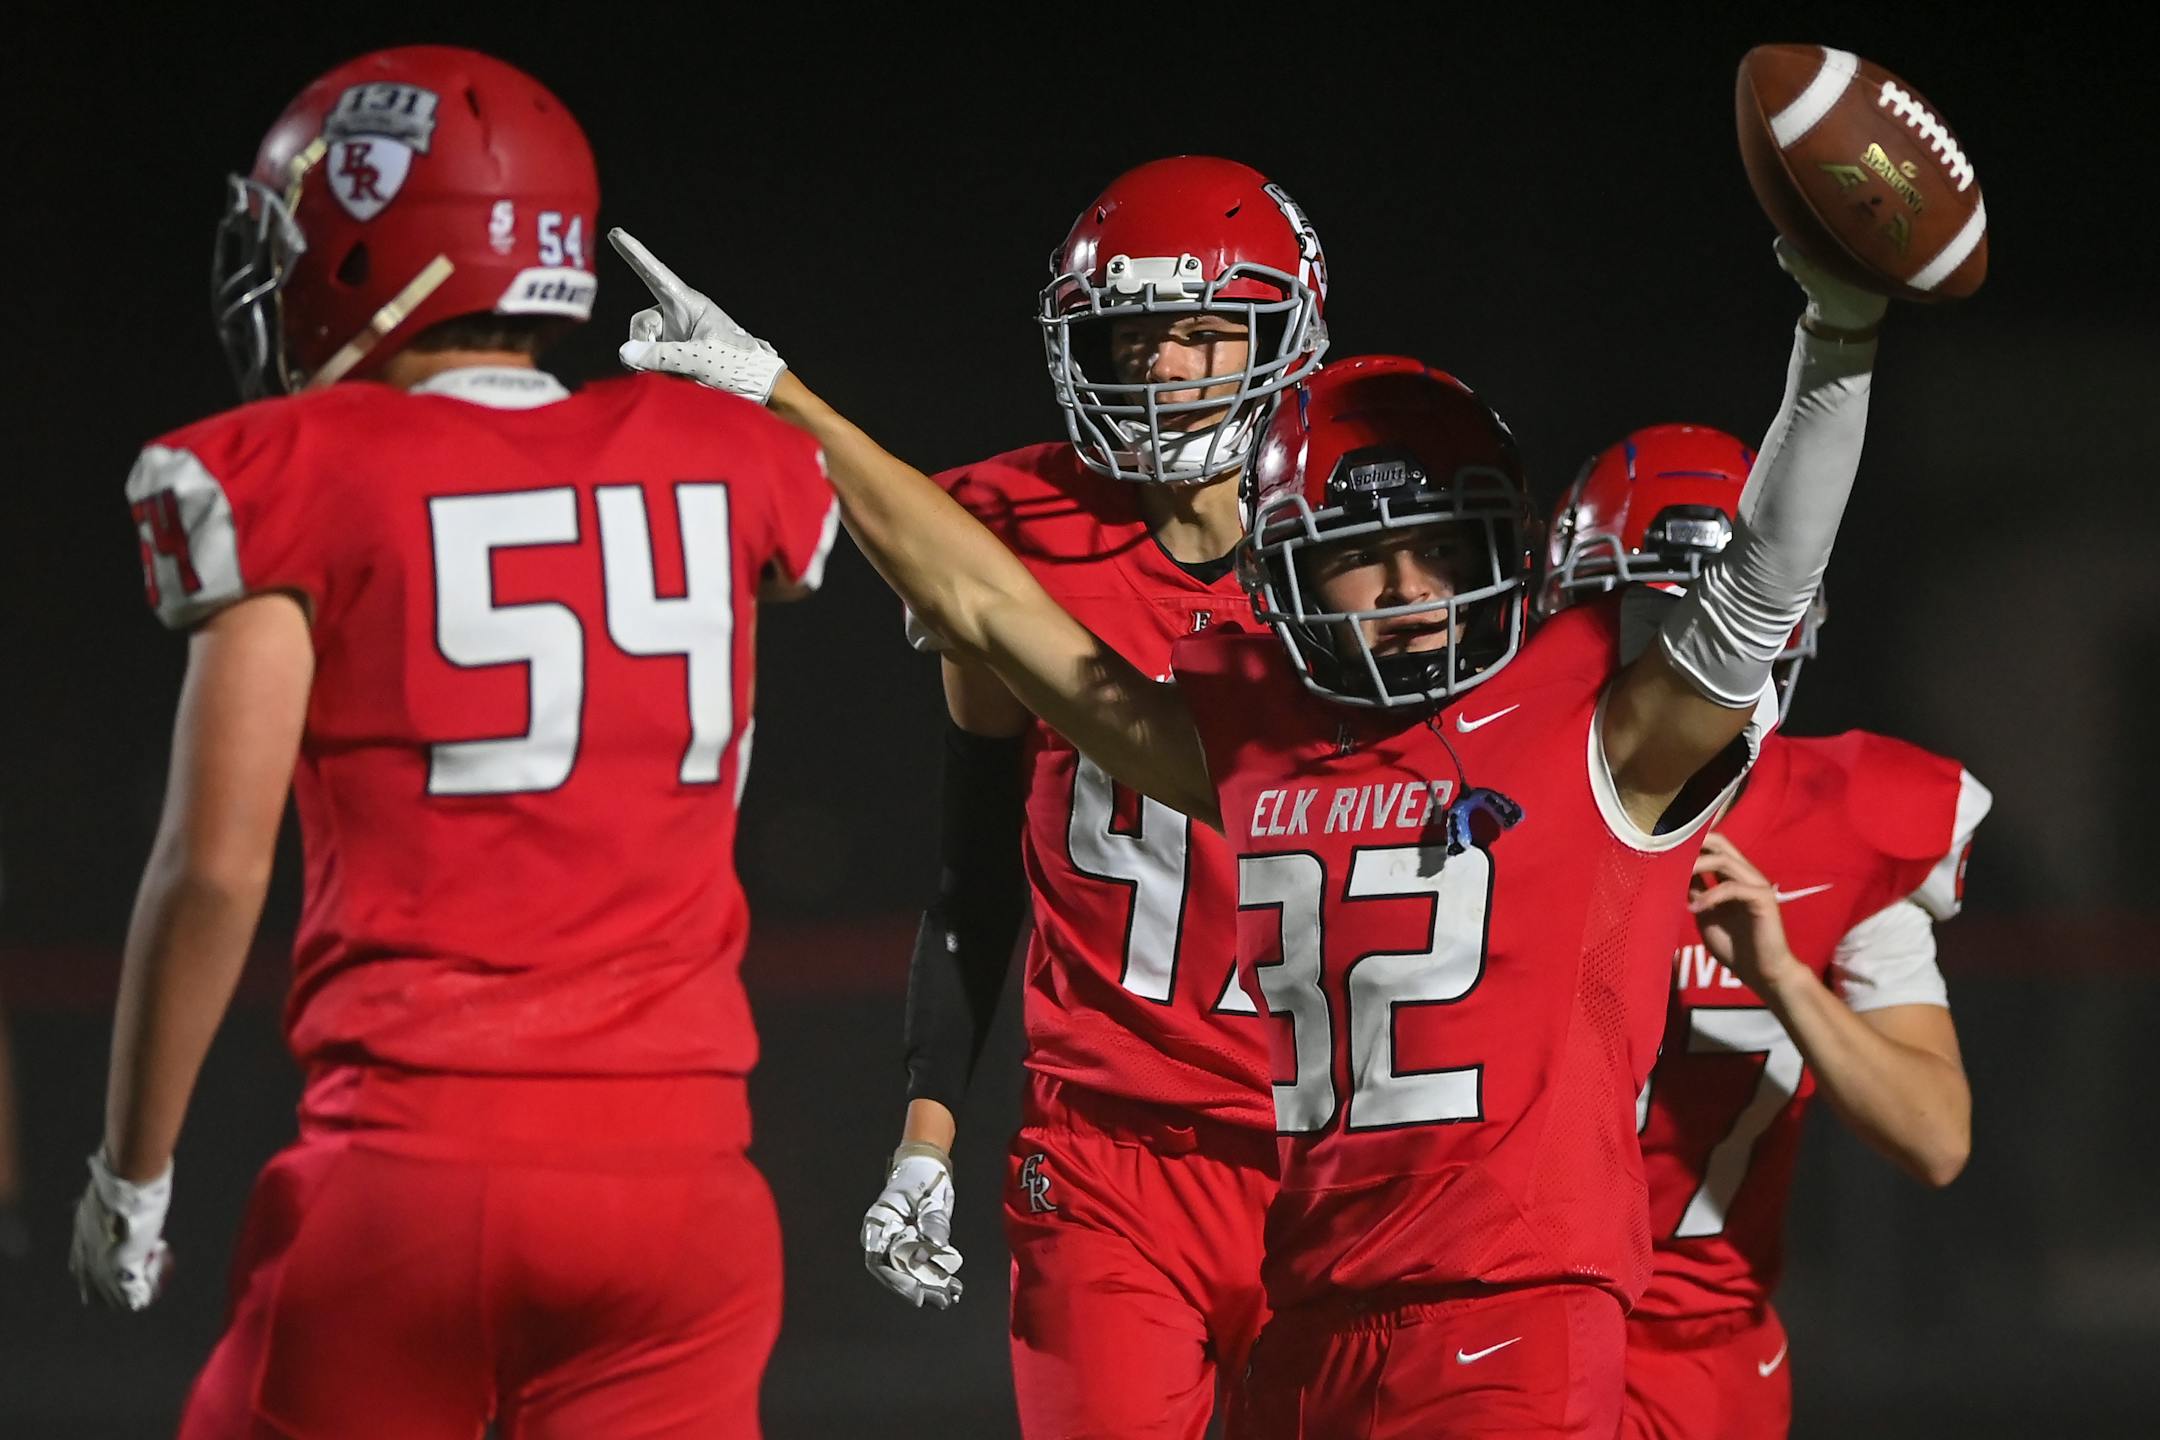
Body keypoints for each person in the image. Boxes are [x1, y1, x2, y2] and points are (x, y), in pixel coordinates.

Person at [608, 211, 1893, 1434]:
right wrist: (775, 389)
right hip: (1318, 1300)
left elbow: (1765, 579)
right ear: (1281, 572)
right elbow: (993, 606)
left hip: (1514, 1302)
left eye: (1442, 552)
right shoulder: (1247, 751)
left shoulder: (1587, 737)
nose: (1406, 594)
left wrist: (1835, 343)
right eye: (1360, 554)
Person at [72, 46, 835, 1440]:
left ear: (368, 250)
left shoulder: (299, 470)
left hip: (421, 1164)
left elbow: (214, 867)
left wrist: (134, 1170)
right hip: (688, 1189)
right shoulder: (720, 453)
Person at [856, 156, 1324, 1437]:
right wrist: (927, 1134)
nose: (1166, 370)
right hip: (1108, 1148)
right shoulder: (1020, 530)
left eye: (1203, 331)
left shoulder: (1363, 557)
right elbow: (976, 864)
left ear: (1283, 338)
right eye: (1135, 334)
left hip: (1331, 1152)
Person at [1542, 424, 1986, 1439]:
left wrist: (1785, 976)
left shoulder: (1845, 819)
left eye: (1739, 622)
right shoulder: (1499, 799)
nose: (1707, 661)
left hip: (1700, 1353)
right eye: (1668, 621)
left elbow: (1937, 1135)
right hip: (1501, 1317)